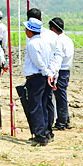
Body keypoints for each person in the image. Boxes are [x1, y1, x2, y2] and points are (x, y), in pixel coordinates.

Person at [21, 17, 57, 145]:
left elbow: (38, 61)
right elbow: (50, 59)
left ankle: (39, 135)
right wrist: (49, 73)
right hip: (44, 77)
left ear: (30, 31)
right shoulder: (44, 42)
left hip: (36, 77)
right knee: (43, 105)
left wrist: (46, 72)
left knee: (36, 106)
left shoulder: (32, 44)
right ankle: (46, 132)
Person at [48, 17, 75, 129]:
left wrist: (54, 74)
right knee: (61, 95)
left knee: (60, 97)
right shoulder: (68, 39)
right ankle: (65, 119)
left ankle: (61, 122)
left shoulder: (58, 41)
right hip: (66, 70)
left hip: (60, 70)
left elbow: (58, 59)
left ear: (53, 29)